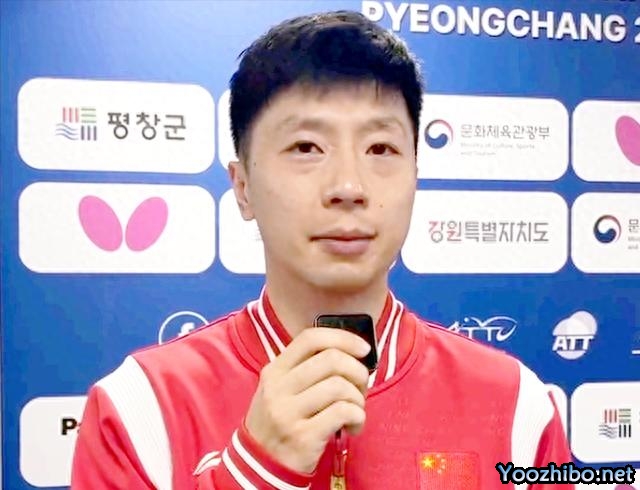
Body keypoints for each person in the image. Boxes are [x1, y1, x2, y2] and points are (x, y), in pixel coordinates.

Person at [71, 10, 573, 490]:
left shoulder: (518, 407)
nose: (349, 186)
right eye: (306, 147)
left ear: (416, 175)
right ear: (243, 187)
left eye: (381, 149)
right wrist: (252, 472)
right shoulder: (139, 409)